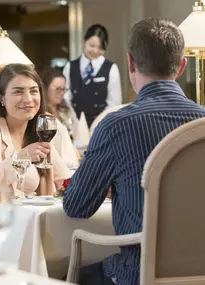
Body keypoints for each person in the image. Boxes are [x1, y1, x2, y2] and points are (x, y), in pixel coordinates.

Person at [63, 18, 205, 285]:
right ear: (182, 65)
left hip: (136, 275)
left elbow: (76, 206)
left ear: (130, 63)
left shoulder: (116, 126)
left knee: (55, 276)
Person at [0, 64, 70, 197]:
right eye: (18, 91)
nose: (28, 99)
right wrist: (20, 159)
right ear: (1, 98)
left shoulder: (38, 133)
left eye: (34, 91)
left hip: (30, 216)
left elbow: (65, 182)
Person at [63, 24, 122, 128]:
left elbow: (114, 103)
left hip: (101, 125)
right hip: (73, 124)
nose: (95, 51)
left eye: (100, 48)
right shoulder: (70, 66)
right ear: (85, 41)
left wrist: (99, 124)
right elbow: (65, 97)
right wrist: (74, 122)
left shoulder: (111, 68)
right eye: (92, 45)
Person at [41, 67, 78, 140]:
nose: (62, 93)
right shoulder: (39, 113)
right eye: (58, 89)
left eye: (64, 89)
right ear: (45, 88)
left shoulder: (66, 108)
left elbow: (77, 130)